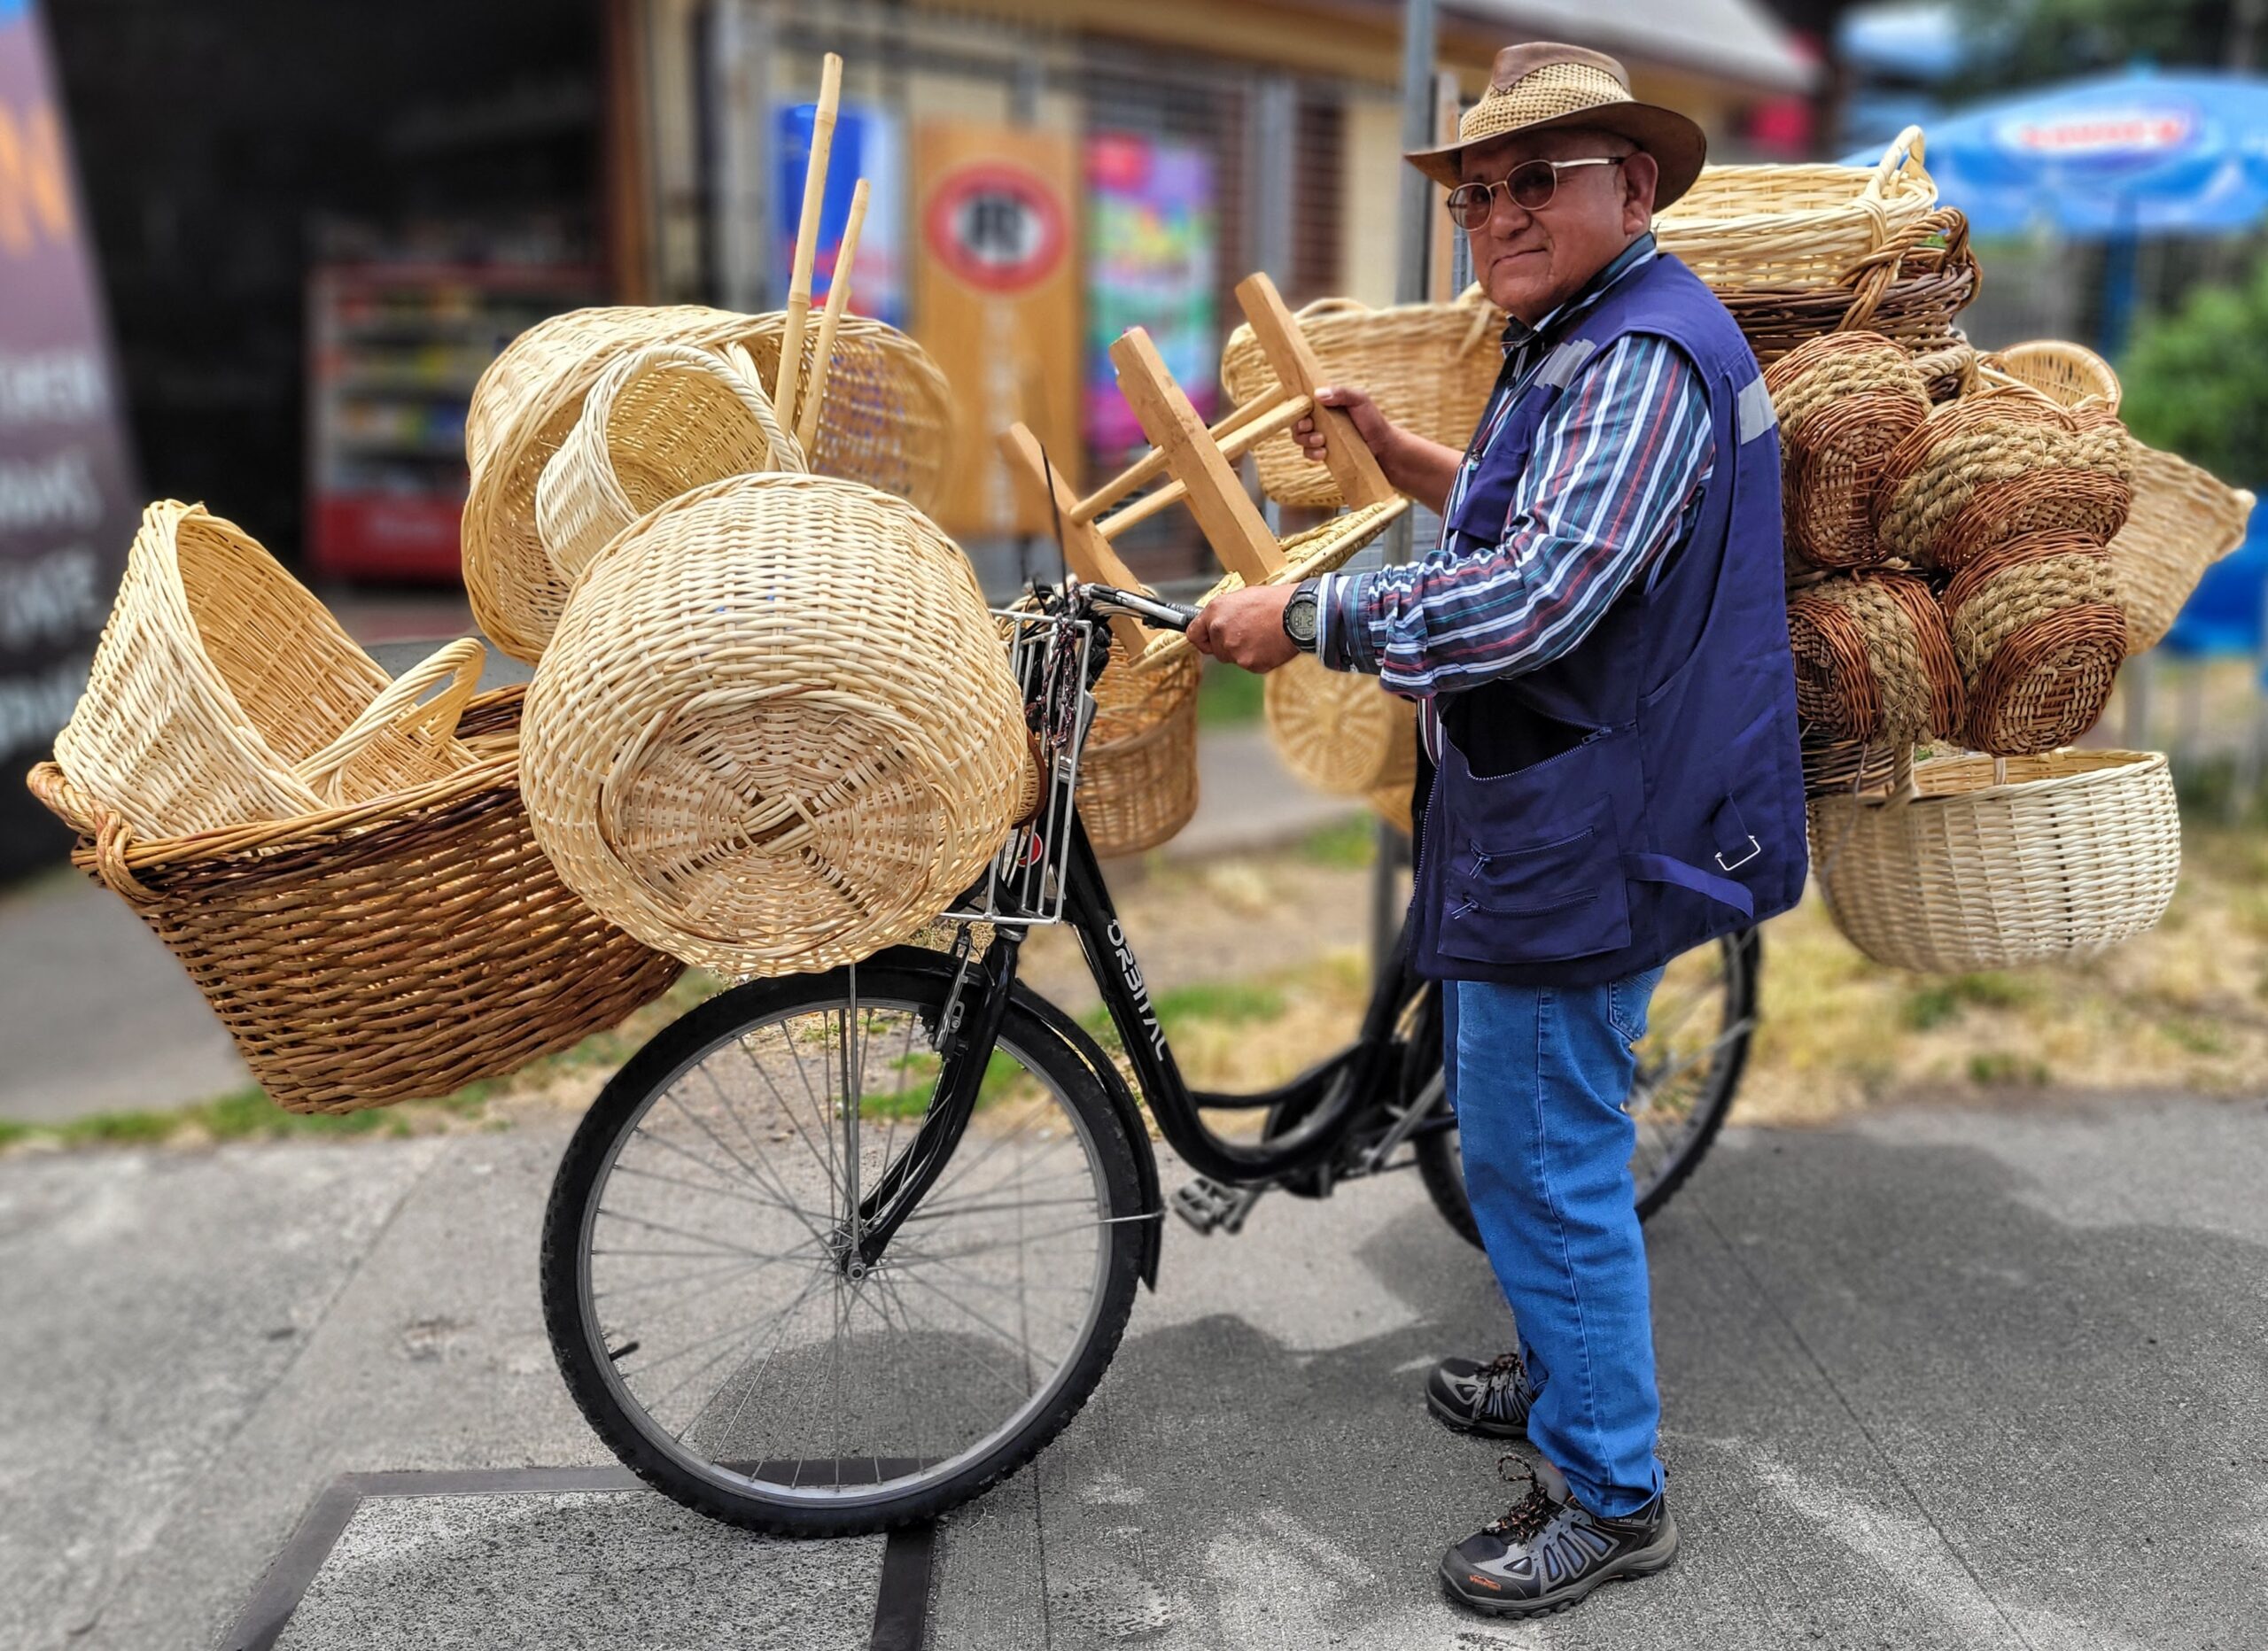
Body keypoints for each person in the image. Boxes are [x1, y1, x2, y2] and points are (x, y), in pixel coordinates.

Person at [1185, 42, 1807, 1620]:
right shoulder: (1588, 335)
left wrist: (1307, 611)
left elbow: (1543, 592)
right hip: (1558, 796)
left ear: (1635, 186)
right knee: (1525, 1139)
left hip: (1592, 817)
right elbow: (1567, 520)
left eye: (1542, 179)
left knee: (1543, 1161)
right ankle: (1559, 1378)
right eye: (1480, 191)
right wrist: (1412, 465)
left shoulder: (1641, 357)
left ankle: (1611, 1488)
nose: (1503, 213)